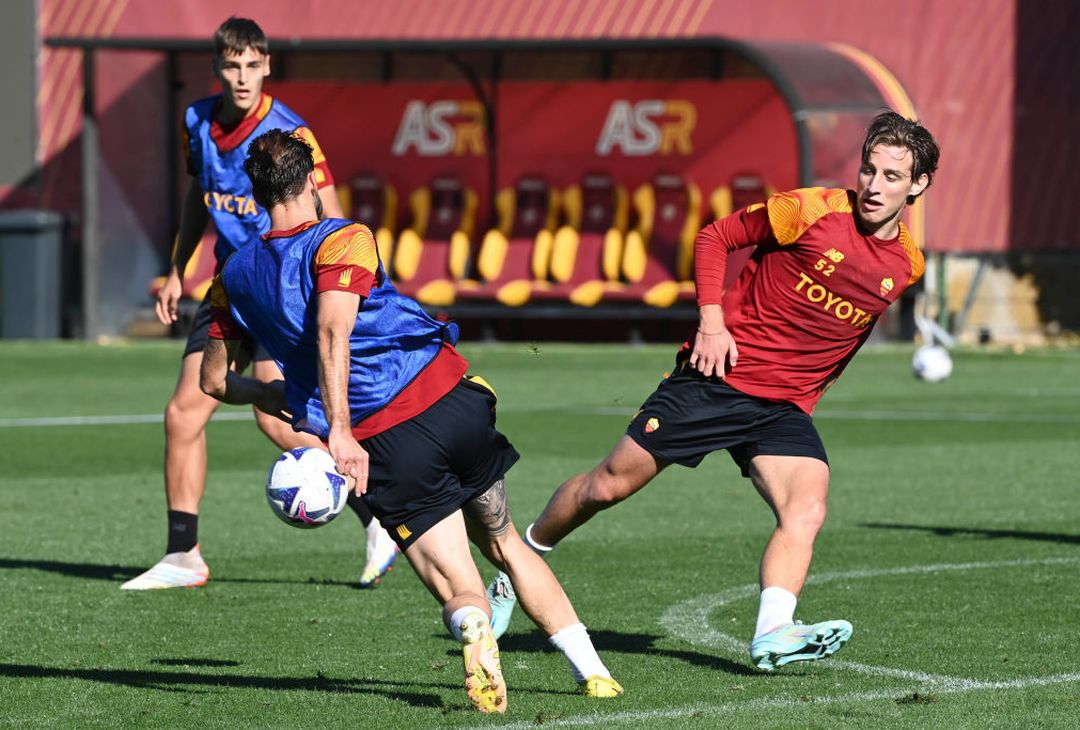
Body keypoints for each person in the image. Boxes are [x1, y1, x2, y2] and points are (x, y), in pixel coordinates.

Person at [485, 110, 940, 671]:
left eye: (892, 176)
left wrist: (811, 393)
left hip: (780, 409)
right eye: (869, 169)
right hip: (716, 377)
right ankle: (516, 564)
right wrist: (711, 321)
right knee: (605, 488)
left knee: (807, 508)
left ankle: (774, 630)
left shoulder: (908, 264)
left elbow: (850, 331)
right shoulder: (810, 210)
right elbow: (715, 237)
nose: (873, 185)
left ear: (917, 185)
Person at [198, 129, 623, 712]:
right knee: (503, 539)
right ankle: (593, 672)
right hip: (451, 400)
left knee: (459, 585)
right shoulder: (344, 238)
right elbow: (332, 327)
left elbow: (215, 382)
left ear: (255, 190)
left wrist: (288, 405)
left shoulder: (232, 276)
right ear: (311, 183)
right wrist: (331, 423)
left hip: (388, 441)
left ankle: (475, 629)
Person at [122, 17, 398, 591]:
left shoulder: (290, 131)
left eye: (252, 65)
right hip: (230, 284)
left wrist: (313, 287)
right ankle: (183, 555)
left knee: (277, 421)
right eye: (231, 65)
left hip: (278, 287)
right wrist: (178, 267)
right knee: (185, 410)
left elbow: (329, 211)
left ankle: (378, 514)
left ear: (267, 64)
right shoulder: (195, 120)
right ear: (217, 67)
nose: (242, 76)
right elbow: (200, 198)